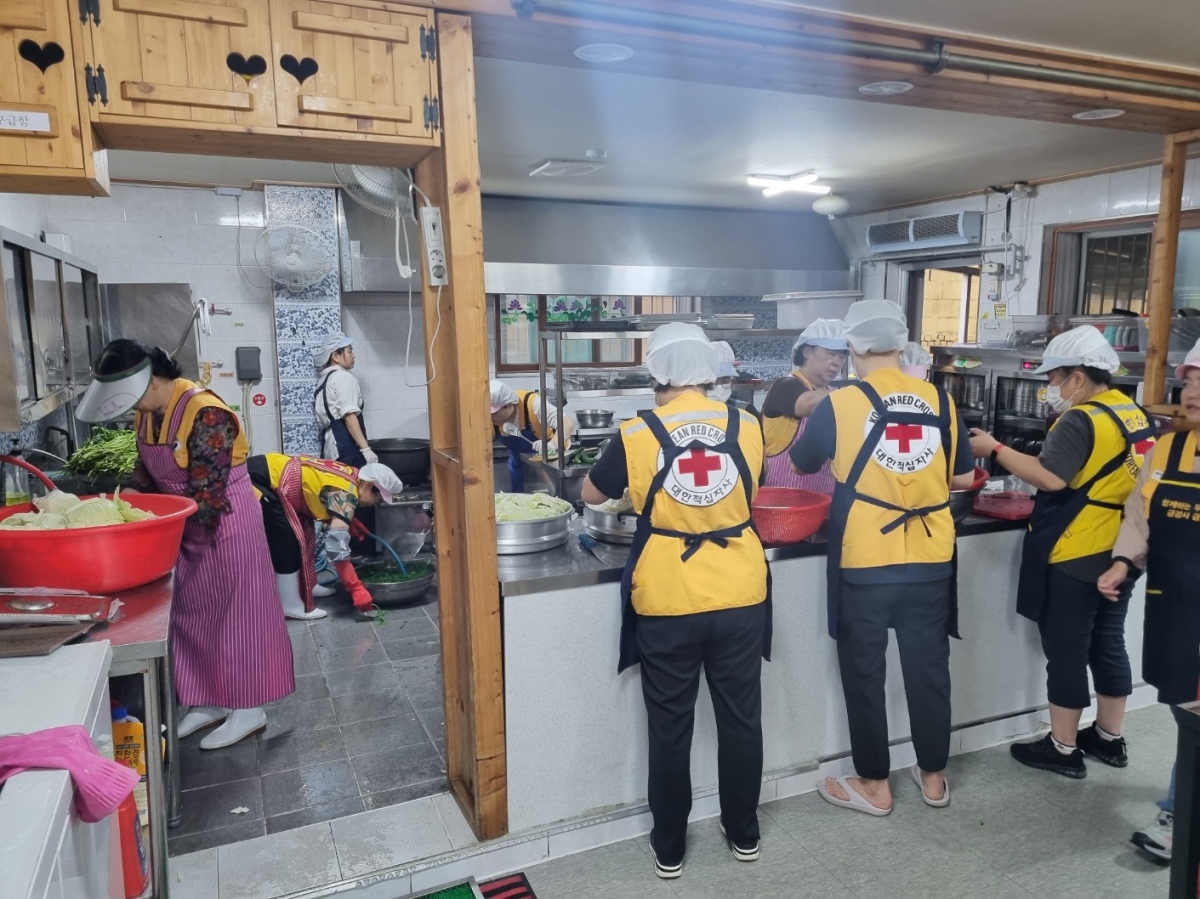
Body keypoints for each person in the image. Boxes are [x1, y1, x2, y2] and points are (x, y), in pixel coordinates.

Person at [580, 323, 769, 879]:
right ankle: (744, 833)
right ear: (708, 371)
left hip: (668, 595)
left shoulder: (638, 432)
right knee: (741, 720)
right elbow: (750, 488)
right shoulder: (747, 423)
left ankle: (669, 847)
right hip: (740, 591)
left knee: (670, 727)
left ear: (656, 374)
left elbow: (591, 492)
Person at [791, 300, 976, 816]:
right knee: (929, 669)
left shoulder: (841, 403)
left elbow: (803, 464)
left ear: (853, 347)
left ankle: (875, 785)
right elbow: (963, 477)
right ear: (900, 343)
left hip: (866, 559)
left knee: (865, 673)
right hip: (930, 555)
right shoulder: (940, 400)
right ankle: (933, 778)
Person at [76, 339, 293, 750]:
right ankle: (207, 701)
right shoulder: (147, 412)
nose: (131, 406)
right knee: (192, 615)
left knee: (238, 617)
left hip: (225, 524)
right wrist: (128, 502)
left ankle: (249, 709)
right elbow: (146, 470)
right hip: (184, 526)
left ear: (153, 380)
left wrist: (158, 526)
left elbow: (207, 492)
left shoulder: (206, 412)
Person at [969, 326, 1156, 779]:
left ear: (1078, 377)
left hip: (1077, 546)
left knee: (1067, 650)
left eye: (1055, 378)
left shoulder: (1081, 418)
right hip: (1122, 548)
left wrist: (994, 448)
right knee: (1108, 641)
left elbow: (1051, 477)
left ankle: (1063, 747)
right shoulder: (1132, 411)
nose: (1051, 388)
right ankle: (1108, 738)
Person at [1100, 338, 1200, 861]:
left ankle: (1179, 819)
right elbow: (1141, 516)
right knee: (1188, 712)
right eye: (1189, 381)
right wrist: (1123, 562)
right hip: (1178, 606)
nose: (1192, 392)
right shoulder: (1167, 449)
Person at [247, 453, 404, 619]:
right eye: (377, 498)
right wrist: (356, 589)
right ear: (369, 485)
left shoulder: (353, 474)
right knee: (287, 541)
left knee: (301, 539)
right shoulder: (345, 495)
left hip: (268, 466)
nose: (374, 503)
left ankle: (308, 586)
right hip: (260, 478)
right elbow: (337, 551)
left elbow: (324, 493)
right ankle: (290, 604)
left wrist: (350, 521)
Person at [762, 319, 848, 492]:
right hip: (782, 498)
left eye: (842, 357)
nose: (837, 362)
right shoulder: (784, 386)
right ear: (807, 352)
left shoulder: (832, 394)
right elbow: (810, 404)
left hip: (824, 498)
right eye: (831, 353)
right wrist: (865, 392)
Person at [490, 379, 575, 492]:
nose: (490, 416)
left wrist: (551, 445)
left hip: (551, 460)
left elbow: (567, 423)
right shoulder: (489, 419)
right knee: (520, 498)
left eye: (494, 412)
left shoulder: (532, 404)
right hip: (519, 464)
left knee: (555, 493)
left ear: (509, 406)